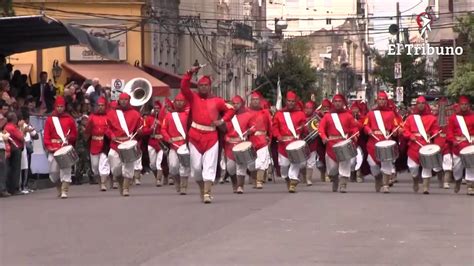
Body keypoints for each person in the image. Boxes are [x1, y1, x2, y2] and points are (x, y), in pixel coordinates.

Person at [180, 66, 235, 203]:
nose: (203, 88)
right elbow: (183, 87)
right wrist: (190, 72)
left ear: (210, 87)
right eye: (201, 85)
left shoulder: (217, 100)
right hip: (194, 136)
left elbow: (231, 110)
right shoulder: (193, 97)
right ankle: (202, 188)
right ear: (197, 87)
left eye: (206, 85)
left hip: (211, 137)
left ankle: (207, 192)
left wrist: (222, 121)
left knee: (209, 166)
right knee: (197, 168)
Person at [318, 94, 359, 193]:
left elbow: (354, 127)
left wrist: (355, 134)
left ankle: (343, 184)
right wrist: (323, 137)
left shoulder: (348, 116)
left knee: (345, 165)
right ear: (333, 103)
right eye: (335, 101)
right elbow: (321, 128)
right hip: (331, 144)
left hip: (344, 143)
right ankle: (335, 178)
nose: (337, 103)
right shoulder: (327, 116)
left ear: (343, 103)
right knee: (332, 168)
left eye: (339, 101)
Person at [363, 91, 400, 193]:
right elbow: (365, 125)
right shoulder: (371, 113)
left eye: (383, 99)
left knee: (386, 163)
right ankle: (377, 177)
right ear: (377, 100)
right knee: (372, 163)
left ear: (386, 101)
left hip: (386, 140)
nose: (382, 101)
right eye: (380, 99)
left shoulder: (391, 114)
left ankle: (385, 185)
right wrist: (368, 130)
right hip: (373, 142)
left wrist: (395, 131)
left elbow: (395, 126)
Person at [106, 93, 142, 197]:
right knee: (115, 167)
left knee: (128, 166)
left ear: (129, 100)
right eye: (122, 100)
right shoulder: (111, 113)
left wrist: (140, 131)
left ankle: (126, 188)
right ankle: (120, 182)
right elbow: (107, 128)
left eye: (126, 99)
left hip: (128, 142)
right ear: (119, 100)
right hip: (115, 143)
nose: (124, 101)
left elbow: (140, 128)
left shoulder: (135, 114)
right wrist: (111, 135)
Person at [403, 96, 440, 194]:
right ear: (416, 105)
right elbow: (405, 130)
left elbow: (435, 129)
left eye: (423, 103)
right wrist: (410, 135)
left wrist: (436, 132)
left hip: (426, 144)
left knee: (426, 166)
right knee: (412, 167)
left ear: (426, 105)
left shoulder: (432, 118)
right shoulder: (410, 118)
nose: (421, 105)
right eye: (419, 103)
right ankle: (415, 180)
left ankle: (425, 187)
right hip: (414, 145)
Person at [43, 96, 78, 198]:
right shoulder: (49, 120)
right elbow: (46, 135)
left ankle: (64, 190)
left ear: (64, 107)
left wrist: (69, 137)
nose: (59, 108)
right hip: (53, 148)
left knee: (66, 169)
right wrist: (49, 146)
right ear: (55, 107)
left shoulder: (70, 119)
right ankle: (58, 186)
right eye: (58, 106)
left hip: (64, 147)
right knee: (53, 172)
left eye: (61, 106)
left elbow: (74, 135)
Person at [272, 91, 307, 193]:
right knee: (284, 166)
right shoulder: (279, 114)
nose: (291, 103)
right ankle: (288, 179)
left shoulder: (300, 113)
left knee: (295, 163)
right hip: (283, 144)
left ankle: (293, 182)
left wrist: (303, 128)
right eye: (289, 101)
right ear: (285, 101)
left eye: (292, 101)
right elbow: (275, 127)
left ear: (295, 102)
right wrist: (278, 136)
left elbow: (304, 128)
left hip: (295, 142)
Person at [161, 93, 190, 194]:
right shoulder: (169, 115)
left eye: (181, 101)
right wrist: (168, 138)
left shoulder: (188, 114)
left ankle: (183, 186)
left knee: (184, 166)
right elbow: (163, 129)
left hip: (185, 144)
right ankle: (177, 181)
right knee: (173, 166)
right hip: (173, 144)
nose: (179, 103)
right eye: (177, 101)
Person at [224, 95, 252, 193]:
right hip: (230, 145)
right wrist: (225, 138)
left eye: (237, 104)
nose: (235, 106)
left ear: (241, 104)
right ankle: (234, 183)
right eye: (234, 104)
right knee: (230, 167)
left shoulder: (247, 115)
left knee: (241, 166)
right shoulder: (227, 116)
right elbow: (223, 130)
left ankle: (240, 186)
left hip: (241, 143)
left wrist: (250, 131)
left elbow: (253, 127)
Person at [447, 96, 474, 195]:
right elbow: (449, 131)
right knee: (457, 168)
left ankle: (470, 186)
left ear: (468, 105)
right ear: (459, 105)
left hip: (470, 144)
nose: (464, 106)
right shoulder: (453, 118)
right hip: (458, 145)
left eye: (466, 104)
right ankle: (458, 180)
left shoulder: (473, 116)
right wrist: (453, 140)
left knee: (471, 165)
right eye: (462, 104)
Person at [85, 97, 111, 191]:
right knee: (95, 167)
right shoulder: (92, 116)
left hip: (105, 144)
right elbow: (87, 131)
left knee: (103, 164)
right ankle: (101, 182)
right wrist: (88, 125)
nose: (100, 107)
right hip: (94, 144)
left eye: (102, 105)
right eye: (99, 105)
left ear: (105, 106)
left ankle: (103, 183)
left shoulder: (109, 116)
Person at [247, 92, 272, 189]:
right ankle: (254, 179)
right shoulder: (247, 112)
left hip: (262, 139)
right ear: (251, 101)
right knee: (251, 162)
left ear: (260, 101)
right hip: (251, 139)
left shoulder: (265, 112)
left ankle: (259, 181)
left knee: (261, 160)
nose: (255, 101)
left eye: (257, 99)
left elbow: (270, 126)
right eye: (253, 99)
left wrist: (269, 136)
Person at [143, 100, 166, 186]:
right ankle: (157, 177)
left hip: (160, 143)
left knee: (158, 162)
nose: (156, 110)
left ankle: (159, 180)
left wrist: (160, 124)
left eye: (158, 108)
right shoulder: (148, 119)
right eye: (155, 108)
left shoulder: (164, 118)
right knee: (152, 164)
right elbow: (145, 131)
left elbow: (167, 130)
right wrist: (151, 128)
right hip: (151, 142)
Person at [302, 100, 318, 186]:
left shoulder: (316, 118)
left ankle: (308, 179)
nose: (308, 110)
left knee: (311, 161)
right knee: (302, 162)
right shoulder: (300, 116)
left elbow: (318, 129)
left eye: (310, 108)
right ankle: (303, 176)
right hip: (302, 142)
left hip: (312, 142)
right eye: (306, 108)